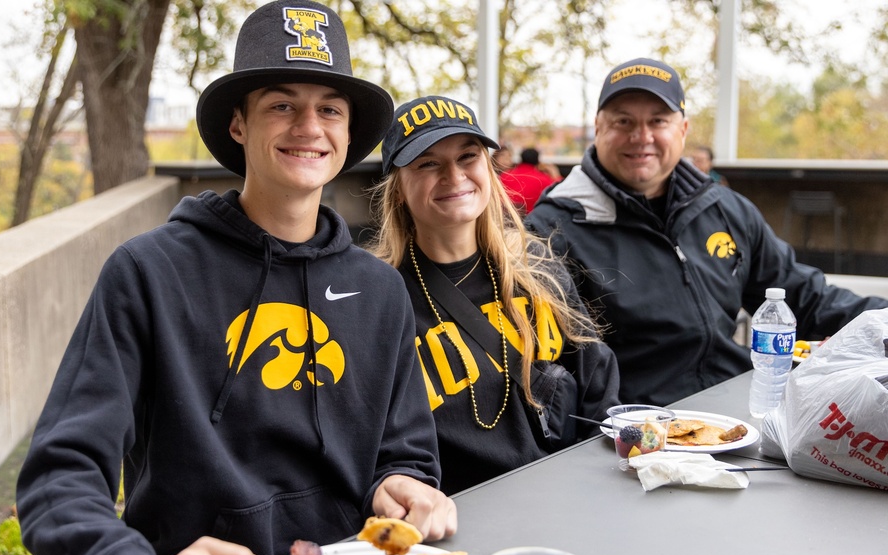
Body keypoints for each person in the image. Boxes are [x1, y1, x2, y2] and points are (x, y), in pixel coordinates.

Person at [15, 2, 456, 555]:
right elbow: (60, 473)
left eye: (330, 109)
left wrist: (400, 480)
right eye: (282, 105)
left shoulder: (379, 290)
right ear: (239, 124)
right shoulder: (148, 272)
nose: (309, 127)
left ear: (347, 135)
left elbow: (405, 451)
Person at [524, 57, 888, 406]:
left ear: (682, 129)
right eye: (623, 122)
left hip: (739, 411)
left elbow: (804, 296)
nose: (642, 136)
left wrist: (882, 319)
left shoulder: (724, 208)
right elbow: (558, 370)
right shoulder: (552, 231)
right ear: (598, 128)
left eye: (658, 120)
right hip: (635, 433)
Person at [369, 95, 620, 494]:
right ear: (398, 188)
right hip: (461, 517)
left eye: (468, 156)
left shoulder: (537, 265)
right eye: (428, 163)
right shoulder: (377, 297)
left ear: (488, 167)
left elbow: (597, 385)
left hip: (570, 495)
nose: (454, 177)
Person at [500, 147, 561, 214]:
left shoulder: (505, 176)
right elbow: (560, 193)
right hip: (532, 220)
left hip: (507, 218)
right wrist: (556, 176)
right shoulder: (544, 180)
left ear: (521, 159)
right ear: (538, 161)